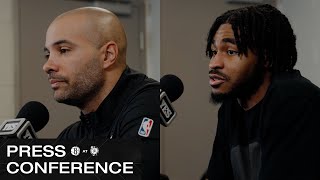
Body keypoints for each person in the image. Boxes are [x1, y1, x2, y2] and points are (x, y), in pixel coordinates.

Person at [205, 4, 320, 180]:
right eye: (213, 52)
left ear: (266, 57)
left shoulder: (295, 97)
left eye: (230, 51)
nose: (214, 63)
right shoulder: (231, 107)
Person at [43, 7, 159, 141]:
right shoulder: (72, 136)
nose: (47, 66)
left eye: (63, 50)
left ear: (107, 56)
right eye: (47, 54)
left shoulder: (149, 104)